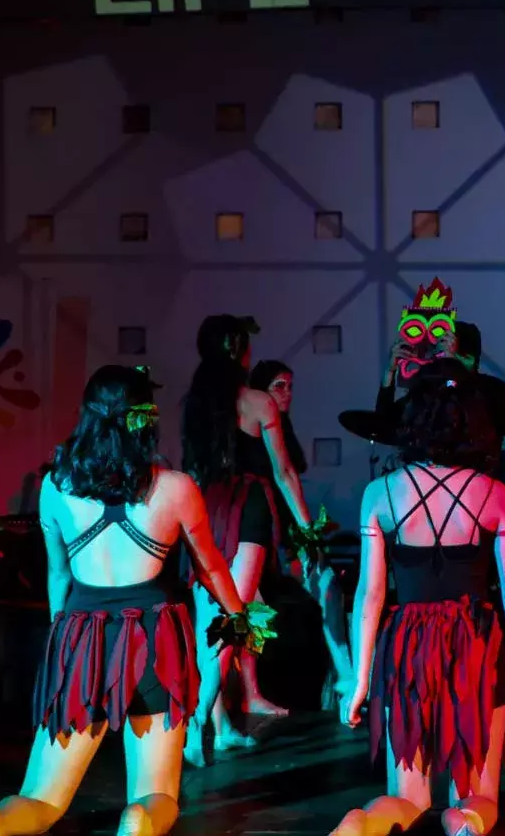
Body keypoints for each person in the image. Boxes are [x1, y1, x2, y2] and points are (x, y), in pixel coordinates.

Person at [0, 365, 247, 836]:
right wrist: (240, 623)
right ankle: (138, 819)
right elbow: (212, 568)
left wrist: (65, 650)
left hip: (82, 635)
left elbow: (59, 575)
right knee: (157, 795)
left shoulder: (55, 488)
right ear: (147, 419)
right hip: (155, 641)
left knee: (41, 800)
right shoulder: (176, 488)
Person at [333, 359, 505, 836]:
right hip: (474, 645)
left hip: (406, 647)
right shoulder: (494, 495)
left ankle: (362, 823)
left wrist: (359, 681)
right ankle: (465, 821)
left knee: (405, 799)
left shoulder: (379, 494)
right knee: (478, 795)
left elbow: (369, 597)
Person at [181, 315, 313, 759]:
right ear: (239, 351)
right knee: (234, 617)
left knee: (215, 619)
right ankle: (198, 719)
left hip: (204, 508)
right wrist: (307, 528)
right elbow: (284, 470)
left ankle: (219, 730)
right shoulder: (258, 402)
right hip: (247, 509)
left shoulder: (197, 405)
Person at [249, 359, 355, 697]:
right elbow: (281, 479)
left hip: (286, 533)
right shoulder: (255, 432)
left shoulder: (283, 428)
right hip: (261, 534)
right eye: (278, 386)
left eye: (290, 386)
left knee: (328, 588)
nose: (287, 393)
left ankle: (342, 675)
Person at [375, 321, 505, 439]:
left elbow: (484, 423)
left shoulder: (494, 388)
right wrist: (390, 371)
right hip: (428, 467)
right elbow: (385, 424)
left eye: (463, 357)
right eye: (448, 356)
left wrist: (452, 364)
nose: (454, 362)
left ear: (476, 361)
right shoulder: (427, 389)